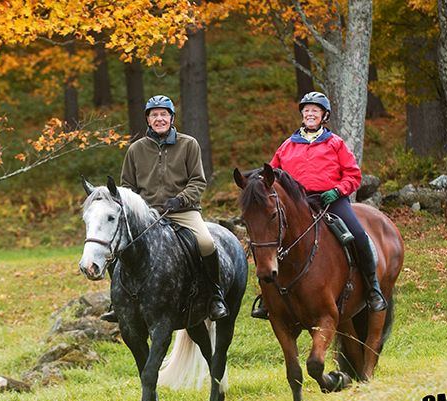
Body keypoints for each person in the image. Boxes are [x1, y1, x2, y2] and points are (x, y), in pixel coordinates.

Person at [251, 91, 387, 320]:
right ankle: (267, 298)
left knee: (359, 236)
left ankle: (373, 289)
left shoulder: (336, 143)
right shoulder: (287, 146)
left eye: (315, 110)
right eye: (306, 110)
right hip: (298, 205)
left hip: (331, 201)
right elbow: (269, 176)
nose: (310, 114)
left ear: (324, 116)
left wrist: (337, 191)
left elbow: (353, 176)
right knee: (268, 238)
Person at [100, 95, 228, 322]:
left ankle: (215, 295)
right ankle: (117, 302)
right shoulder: (135, 150)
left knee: (207, 242)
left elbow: (198, 181)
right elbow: (127, 188)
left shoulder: (189, 144)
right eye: (154, 115)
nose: (159, 119)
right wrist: (139, 208)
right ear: (148, 120)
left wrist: (180, 199)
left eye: (164, 114)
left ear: (171, 117)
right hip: (146, 215)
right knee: (119, 247)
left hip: (183, 210)